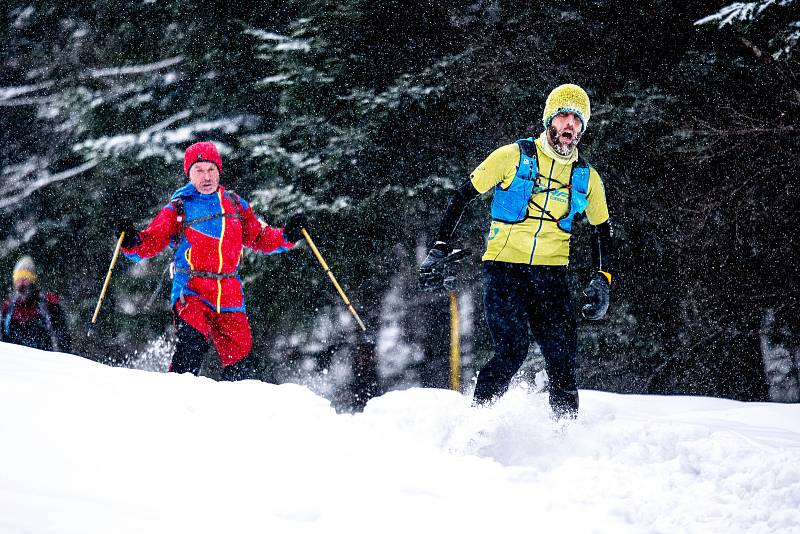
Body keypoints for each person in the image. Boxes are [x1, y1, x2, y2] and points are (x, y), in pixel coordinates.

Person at [420, 84, 612, 419]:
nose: (570, 125)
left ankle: (564, 439)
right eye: (563, 116)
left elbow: (602, 229)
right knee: (512, 351)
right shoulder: (511, 156)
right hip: (504, 271)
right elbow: (462, 196)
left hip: (551, 276)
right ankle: (476, 423)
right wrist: (439, 248)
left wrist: (603, 278)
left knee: (562, 360)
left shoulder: (586, 178)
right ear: (549, 120)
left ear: (583, 127)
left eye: (577, 120)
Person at [117, 141, 307, 381]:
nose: (206, 177)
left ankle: (230, 411)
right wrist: (131, 240)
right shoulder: (179, 207)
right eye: (199, 171)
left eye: (211, 170)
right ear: (189, 174)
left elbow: (259, 236)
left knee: (242, 362)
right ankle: (174, 400)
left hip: (228, 292)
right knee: (193, 344)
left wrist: (287, 235)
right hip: (192, 289)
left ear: (219, 171)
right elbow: (151, 241)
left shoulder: (235, 204)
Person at [1, 255, 71, 352]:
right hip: (15, 361)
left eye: (25, 279)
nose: (21, 284)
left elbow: (63, 338)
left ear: (33, 281)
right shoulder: (8, 308)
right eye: (18, 280)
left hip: (45, 361)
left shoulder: (48, 304)